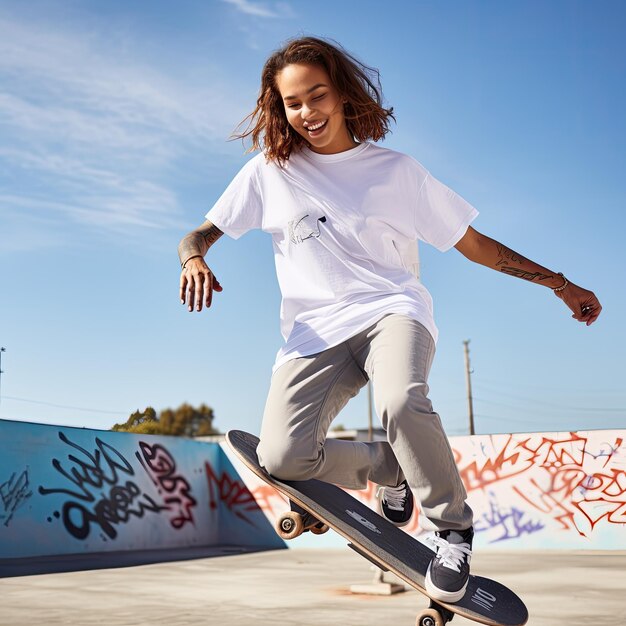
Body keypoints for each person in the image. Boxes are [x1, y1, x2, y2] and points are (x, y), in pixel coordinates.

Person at [177, 36, 601, 602]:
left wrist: (560, 284)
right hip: (314, 333)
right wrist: (194, 257)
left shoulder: (397, 171)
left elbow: (474, 245)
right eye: (293, 103)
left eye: (318, 96)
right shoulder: (268, 173)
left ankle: (452, 528)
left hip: (393, 311)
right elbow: (201, 231)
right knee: (282, 458)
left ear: (343, 94)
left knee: (401, 400)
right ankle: (388, 466)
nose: (307, 113)